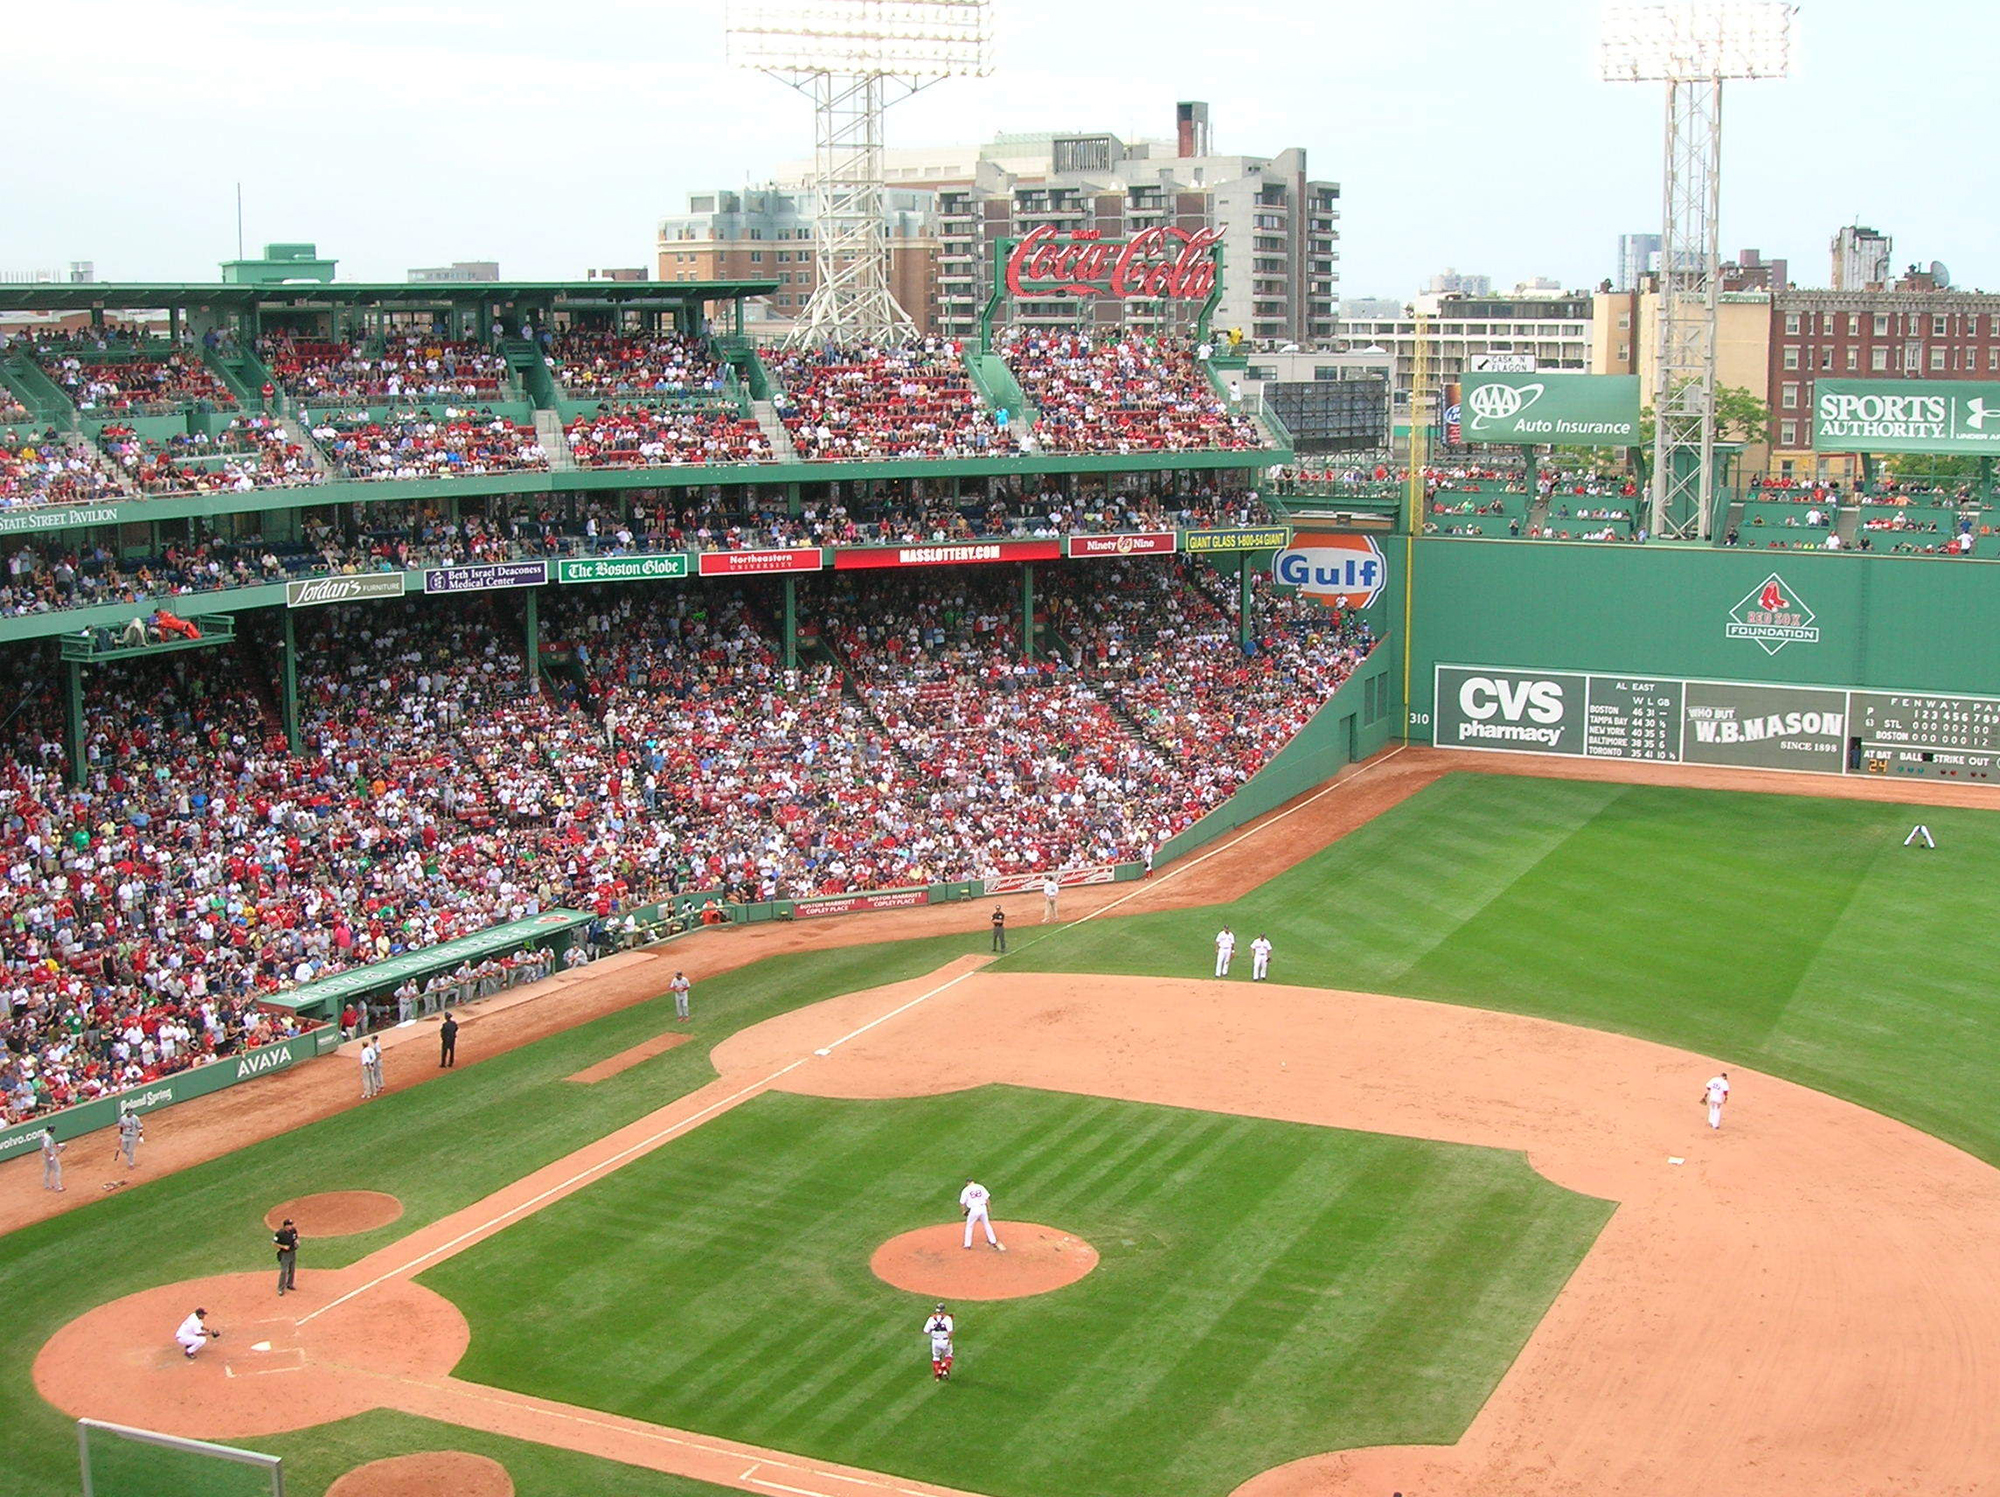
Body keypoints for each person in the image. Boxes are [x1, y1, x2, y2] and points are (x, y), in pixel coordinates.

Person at [960, 1176, 1003, 1252]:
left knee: (969, 1226)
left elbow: (962, 1202)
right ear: (973, 1181)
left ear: (967, 1183)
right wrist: (989, 1208)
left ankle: (967, 1245)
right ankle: (993, 1241)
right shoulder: (980, 1187)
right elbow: (987, 1198)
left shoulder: (966, 1190)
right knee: (986, 1224)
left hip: (973, 1209)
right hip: (983, 1208)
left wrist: (963, 1211)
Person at [924, 1303, 955, 1382]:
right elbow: (950, 1331)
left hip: (935, 1341)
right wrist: (949, 1340)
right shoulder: (948, 1318)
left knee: (936, 1357)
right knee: (948, 1355)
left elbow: (926, 1331)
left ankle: (938, 1372)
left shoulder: (931, 1318)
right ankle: (944, 1367)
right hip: (945, 1340)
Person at [273, 1217, 301, 1295]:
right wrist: (283, 1246)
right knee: (284, 1271)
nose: (291, 1226)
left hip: (292, 1252)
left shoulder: (293, 1231)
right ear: (285, 1226)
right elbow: (274, 1243)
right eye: (289, 1225)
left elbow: (296, 1238)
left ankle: (289, 1284)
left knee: (292, 1269)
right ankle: (281, 1289)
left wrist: (297, 1241)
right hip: (284, 1254)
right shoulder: (279, 1233)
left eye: (291, 1225)